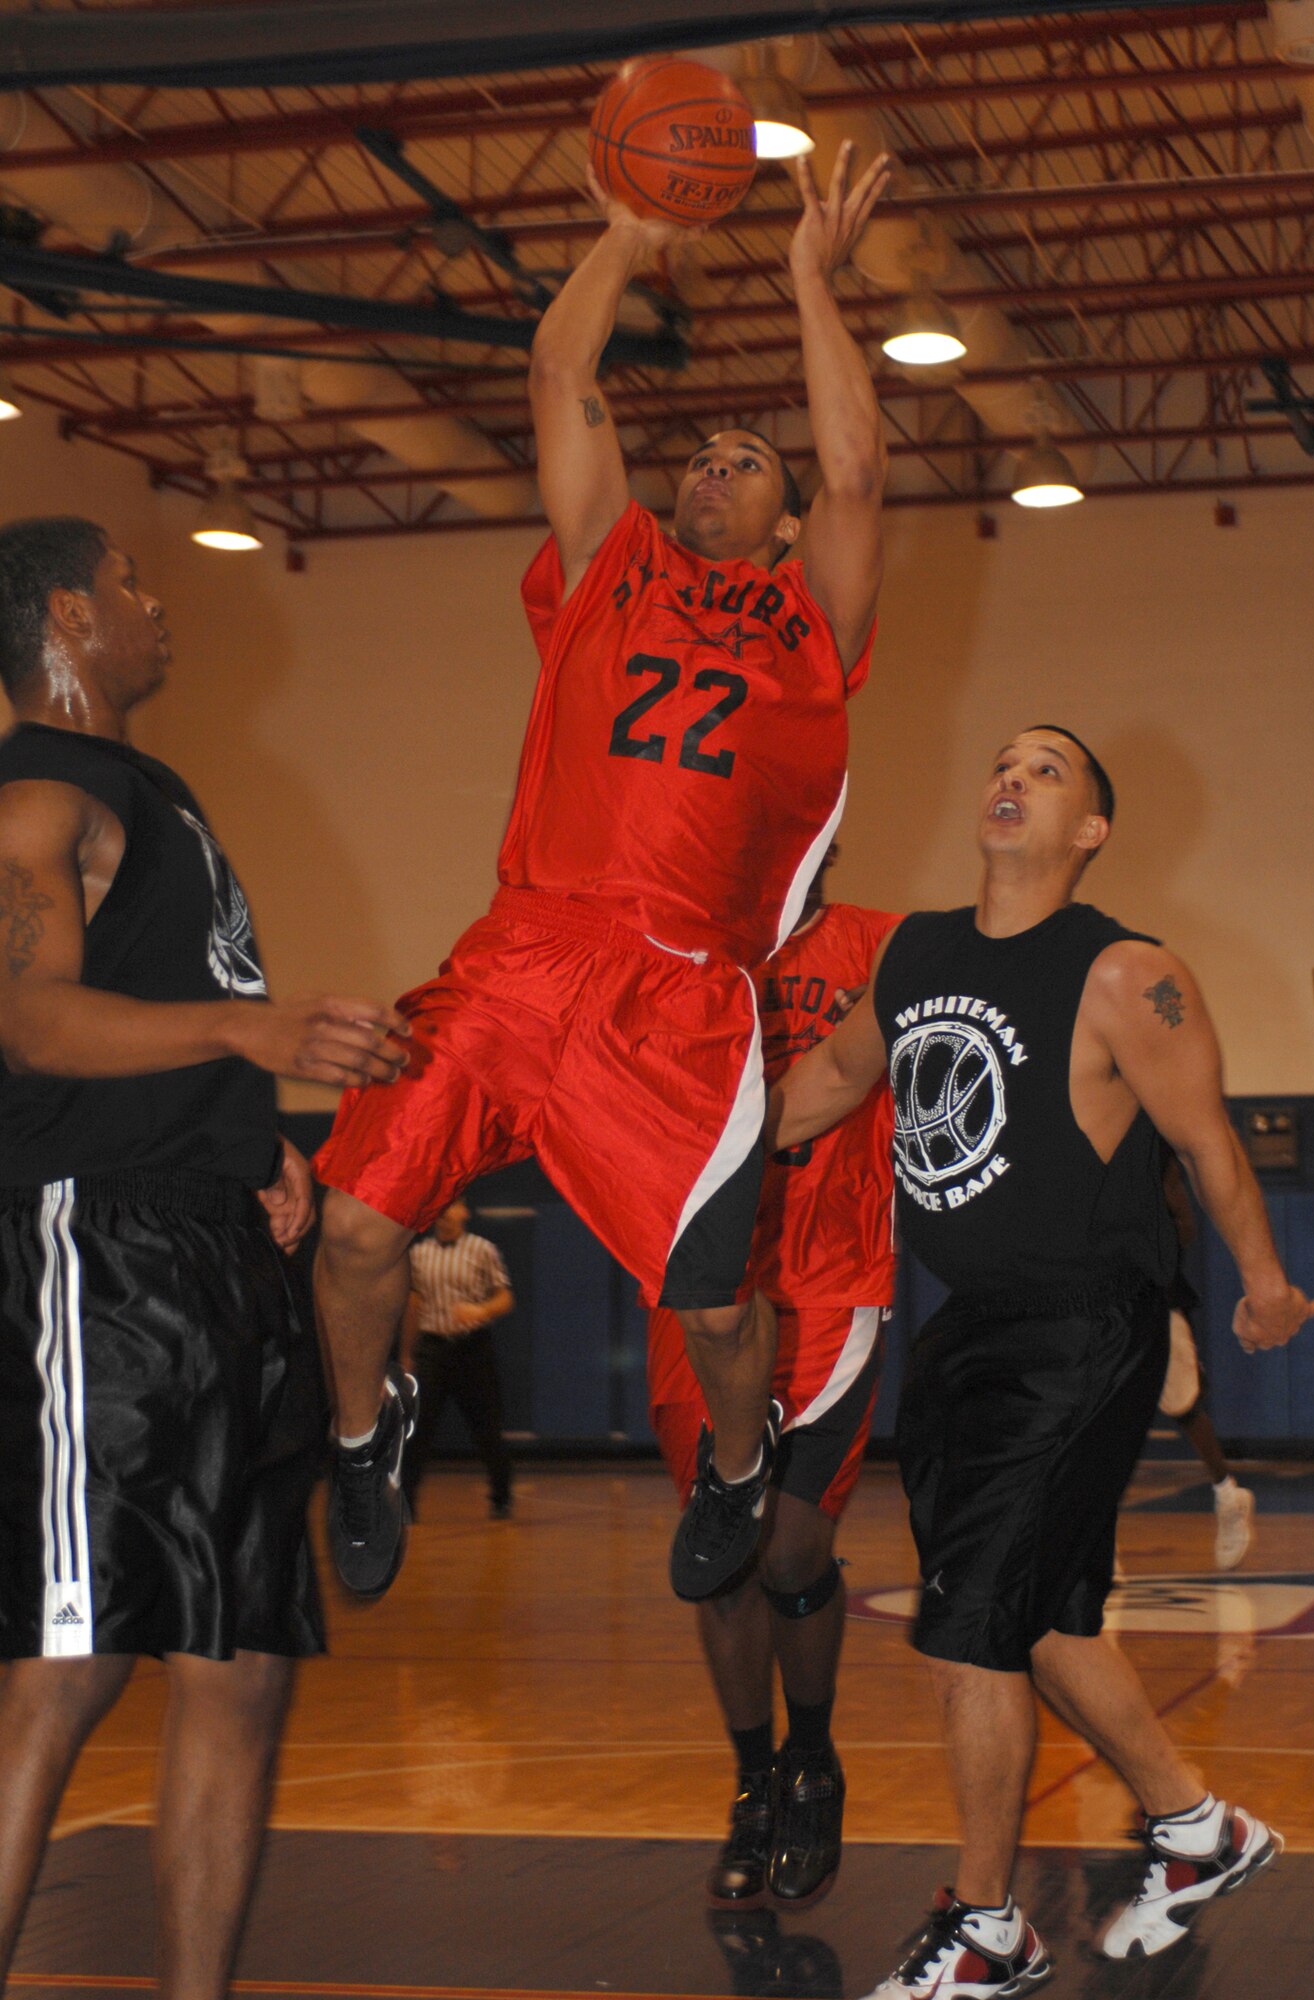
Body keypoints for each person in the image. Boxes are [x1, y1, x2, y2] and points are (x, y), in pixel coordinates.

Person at [312, 139, 892, 1605]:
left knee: (713, 1298)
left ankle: (743, 1464)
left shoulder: (808, 625)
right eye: (703, 453)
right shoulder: (606, 560)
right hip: (524, 948)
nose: (713, 467)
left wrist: (807, 280)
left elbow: (865, 472)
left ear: (780, 521)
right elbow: (559, 370)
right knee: (358, 1221)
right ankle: (362, 1431)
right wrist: (626, 239)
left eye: (747, 463)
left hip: (682, 986)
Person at [769, 725, 1314, 1997]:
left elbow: (1206, 1141)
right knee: (1045, 1616)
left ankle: (984, 1926)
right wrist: (690, 1152)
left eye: (1049, 769)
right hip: (967, 1327)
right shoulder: (914, 953)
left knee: (971, 1625)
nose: (1011, 777)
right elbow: (821, 1086)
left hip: (1082, 1329)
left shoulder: (1124, 971)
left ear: (1091, 830)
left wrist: (1267, 1279)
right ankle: (1196, 1828)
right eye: (1002, 761)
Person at [0, 517, 409, 1998]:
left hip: (213, 1248)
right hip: (92, 1248)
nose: (156, 606)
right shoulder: (35, 795)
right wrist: (253, 1034)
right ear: (64, 614)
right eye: (129, 584)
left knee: (238, 1666)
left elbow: (155, 1012)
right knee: (65, 1666)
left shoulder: (147, 792)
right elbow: (35, 1024)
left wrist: (258, 1141)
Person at [649, 847, 898, 1910]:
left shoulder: (884, 943)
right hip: (697, 1282)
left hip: (831, 1274)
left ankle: (813, 1757)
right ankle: (753, 1780)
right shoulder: (670, 953)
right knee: (722, 1557)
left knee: (792, 1542)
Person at [1159, 1149, 1255, 1569]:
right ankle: (1095, 1547)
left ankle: (1227, 1494)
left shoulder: (1154, 1159)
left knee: (1183, 1407)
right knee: (1099, 1419)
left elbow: (1186, 1228)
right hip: (1093, 1304)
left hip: (1154, 1299)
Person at [400, 1199, 515, 1521]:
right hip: (433, 1348)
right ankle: (407, 1502)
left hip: (472, 1349)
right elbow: (414, 1304)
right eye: (439, 1209)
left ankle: (501, 1498)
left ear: (463, 1212)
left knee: (487, 1428)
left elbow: (505, 1297)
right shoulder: (419, 1254)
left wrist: (481, 1310)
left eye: (450, 1207)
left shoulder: (482, 1249)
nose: (444, 1214)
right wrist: (407, 1353)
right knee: (418, 1430)